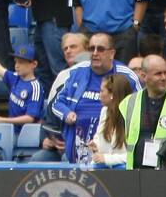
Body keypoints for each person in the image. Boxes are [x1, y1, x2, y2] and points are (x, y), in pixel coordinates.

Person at [50, 32, 141, 164]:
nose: (95, 53)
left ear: (112, 53)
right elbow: (57, 103)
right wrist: (66, 114)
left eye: (100, 49)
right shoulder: (76, 72)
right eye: (91, 48)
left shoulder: (127, 76)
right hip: (77, 147)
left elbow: (140, 109)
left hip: (114, 151)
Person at [87, 74, 133, 167]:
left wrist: (107, 159)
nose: (99, 95)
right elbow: (98, 138)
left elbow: (135, 155)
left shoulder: (131, 116)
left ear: (112, 94)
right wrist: (96, 145)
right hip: (105, 169)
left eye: (101, 91)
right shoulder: (104, 111)